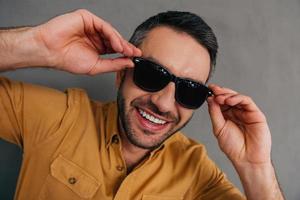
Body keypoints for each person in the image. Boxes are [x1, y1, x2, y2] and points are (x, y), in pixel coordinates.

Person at [0, 9, 284, 200]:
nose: (163, 103)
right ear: (122, 73)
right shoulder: (58, 117)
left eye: (189, 91)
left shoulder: (196, 172)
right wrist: (37, 45)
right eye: (152, 75)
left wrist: (255, 167)